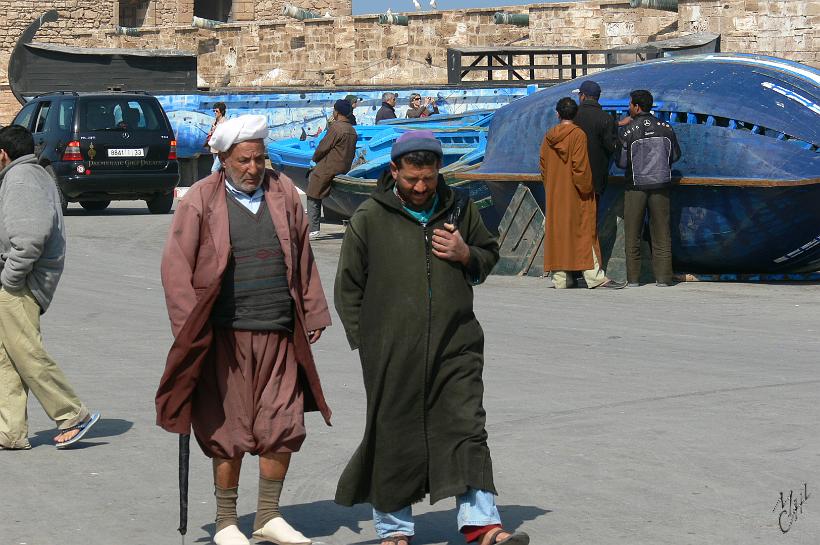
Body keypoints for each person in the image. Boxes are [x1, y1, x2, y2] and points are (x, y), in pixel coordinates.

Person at [334, 130, 530, 545]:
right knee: (393, 431)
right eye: (411, 180)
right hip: (391, 350)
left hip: (456, 343)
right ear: (394, 172)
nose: (421, 188)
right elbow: (348, 288)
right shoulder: (369, 217)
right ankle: (394, 531)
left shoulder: (459, 208)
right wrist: (368, 344)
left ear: (439, 171)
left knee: (467, 426)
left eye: (428, 178)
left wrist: (465, 254)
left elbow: (487, 256)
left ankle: (481, 523)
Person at [156, 115, 332, 545]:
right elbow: (176, 269)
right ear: (222, 158)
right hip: (224, 336)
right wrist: (188, 332)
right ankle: (226, 522)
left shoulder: (283, 193)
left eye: (259, 158)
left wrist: (311, 312)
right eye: (244, 161)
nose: (254, 168)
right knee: (227, 428)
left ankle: (269, 515)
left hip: (278, 330)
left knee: (283, 422)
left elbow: (303, 256)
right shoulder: (200, 199)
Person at [0, 124, 100, 450]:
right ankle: (10, 432)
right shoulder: (32, 174)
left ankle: (72, 414)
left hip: (21, 284)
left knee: (27, 354)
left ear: (3, 155)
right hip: (23, 281)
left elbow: (29, 238)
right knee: (9, 357)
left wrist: (10, 280)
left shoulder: (21, 180)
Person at [540, 98, 624, 290]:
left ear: (557, 114)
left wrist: (551, 187)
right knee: (585, 232)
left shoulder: (548, 136)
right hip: (576, 192)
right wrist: (587, 189)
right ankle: (594, 277)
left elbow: (543, 166)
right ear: (575, 114)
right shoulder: (578, 134)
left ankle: (561, 279)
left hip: (555, 192)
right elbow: (580, 167)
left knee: (559, 233)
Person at [616, 89, 682, 287]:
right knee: (662, 232)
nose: (629, 108)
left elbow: (621, 162)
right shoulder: (666, 128)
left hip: (635, 186)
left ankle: (634, 279)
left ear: (636, 106)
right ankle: (663, 278)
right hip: (661, 185)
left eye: (630, 104)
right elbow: (676, 155)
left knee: (633, 233)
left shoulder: (627, 131)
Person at [306, 99, 357, 240]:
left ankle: (313, 229)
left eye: (334, 110)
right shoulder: (352, 130)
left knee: (313, 193)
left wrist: (315, 158)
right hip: (344, 167)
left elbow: (323, 147)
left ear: (337, 112)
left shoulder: (336, 128)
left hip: (329, 168)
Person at [573, 80, 619, 197]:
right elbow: (611, 146)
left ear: (583, 96)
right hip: (596, 178)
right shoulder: (606, 118)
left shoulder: (572, 116)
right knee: (592, 212)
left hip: (574, 176)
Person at [207, 102, 228, 173]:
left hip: (221, 150)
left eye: (217, 111)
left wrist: (217, 129)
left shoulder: (225, 122)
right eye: (214, 111)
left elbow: (225, 135)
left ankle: (214, 183)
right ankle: (221, 183)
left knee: (214, 170)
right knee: (221, 170)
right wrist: (211, 132)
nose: (215, 112)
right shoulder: (215, 121)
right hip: (214, 149)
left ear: (221, 112)